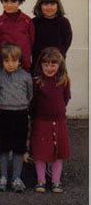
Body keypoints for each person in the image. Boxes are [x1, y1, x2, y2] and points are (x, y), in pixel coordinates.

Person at [0, 44, 33, 192]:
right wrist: (1, 107)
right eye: (7, 61)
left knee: (18, 148)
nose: (10, 64)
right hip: (3, 114)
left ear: (20, 61)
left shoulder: (26, 77)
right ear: (1, 61)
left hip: (20, 114)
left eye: (14, 61)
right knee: (3, 148)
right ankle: (3, 177)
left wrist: (22, 105)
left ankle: (16, 178)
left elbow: (30, 94)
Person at [30, 47, 71, 194]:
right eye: (45, 64)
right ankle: (41, 180)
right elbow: (33, 102)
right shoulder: (37, 81)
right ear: (40, 65)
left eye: (53, 64)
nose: (49, 68)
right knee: (40, 153)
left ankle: (56, 181)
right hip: (41, 122)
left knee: (57, 154)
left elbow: (65, 99)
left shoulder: (64, 81)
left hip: (59, 122)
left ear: (60, 64)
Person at [0, 0, 34, 72]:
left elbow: (32, 41)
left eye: (13, 1)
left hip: (24, 65)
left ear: (20, 1)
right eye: (6, 1)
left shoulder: (27, 21)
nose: (9, 5)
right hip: (6, 65)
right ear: (1, 1)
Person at [31, 0, 72, 70]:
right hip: (38, 64)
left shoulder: (63, 22)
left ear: (58, 5)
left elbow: (66, 42)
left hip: (57, 64)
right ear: (40, 5)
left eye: (52, 4)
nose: (49, 7)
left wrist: (58, 57)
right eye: (45, 4)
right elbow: (31, 43)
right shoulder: (34, 22)